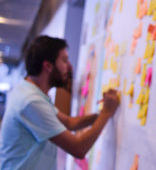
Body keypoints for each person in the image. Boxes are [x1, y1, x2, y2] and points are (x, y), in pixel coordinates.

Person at [0, 35, 120, 170]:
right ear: (48, 66)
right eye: (64, 61)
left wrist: (101, 113)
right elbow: (78, 148)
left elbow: (69, 123)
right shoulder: (31, 102)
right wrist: (107, 113)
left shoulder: (29, 91)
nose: (69, 67)